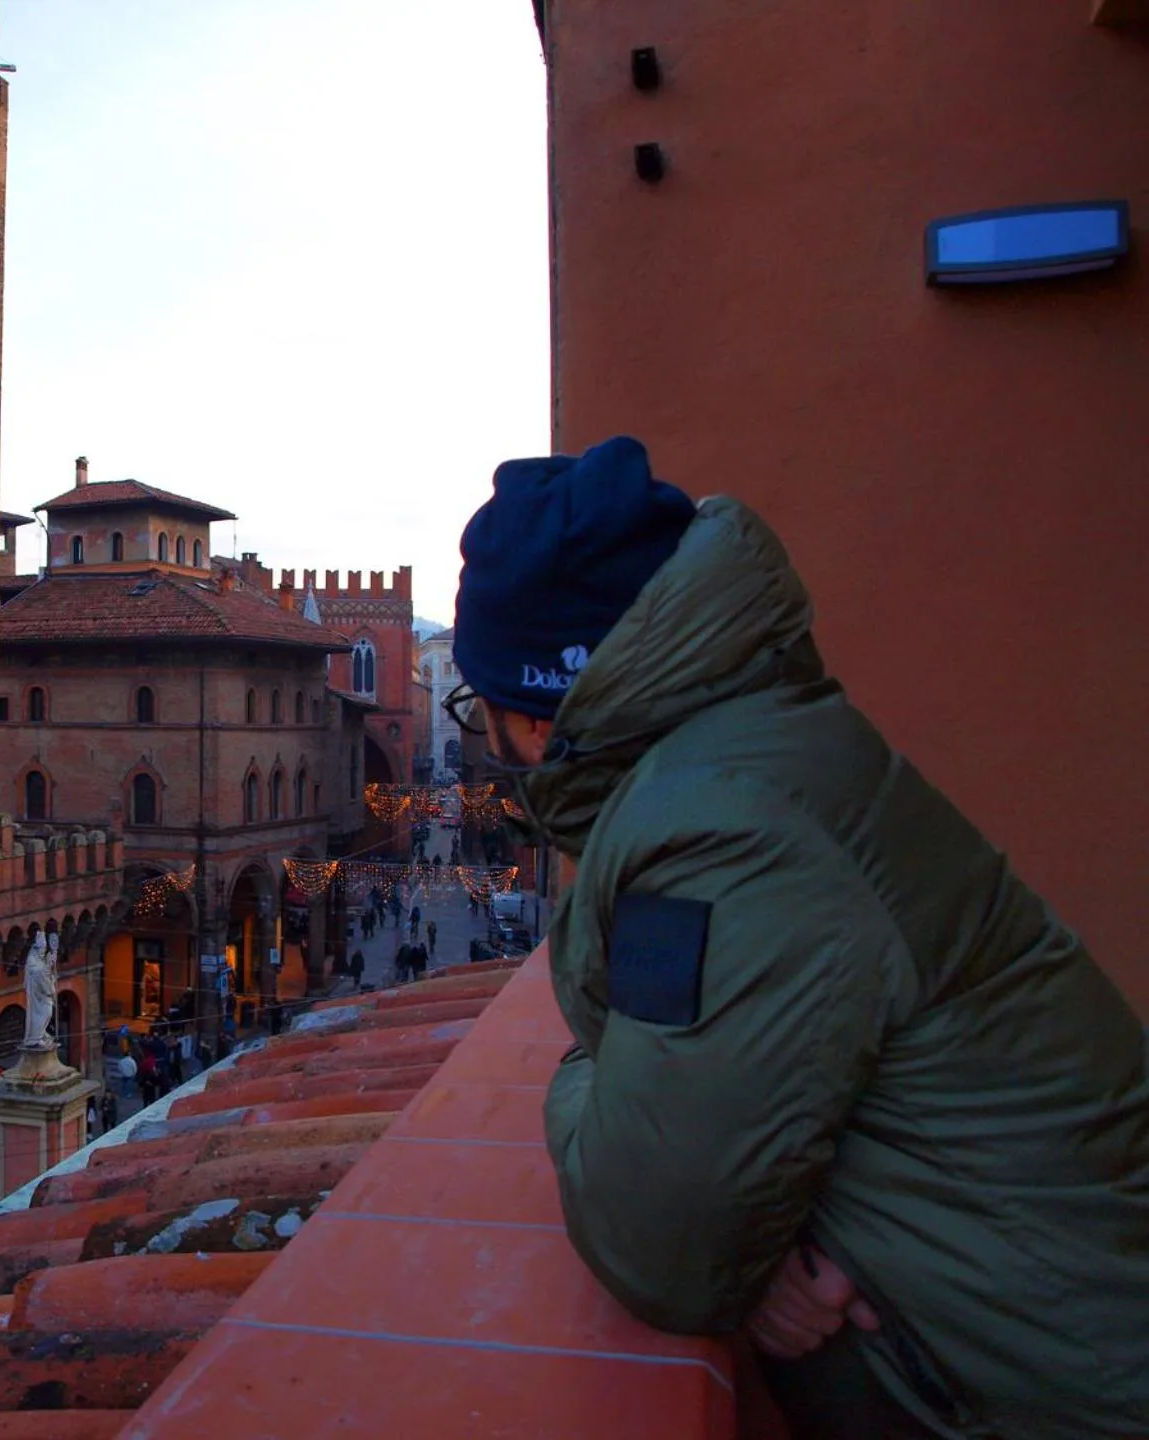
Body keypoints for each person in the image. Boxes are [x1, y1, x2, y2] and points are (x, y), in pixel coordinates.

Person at [451, 435, 1149, 1440]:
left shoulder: (719, 829)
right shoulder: (761, 749)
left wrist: (581, 1074)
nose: (498, 747)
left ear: (544, 713)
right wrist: (753, 1246)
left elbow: (656, 1240)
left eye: (492, 712)